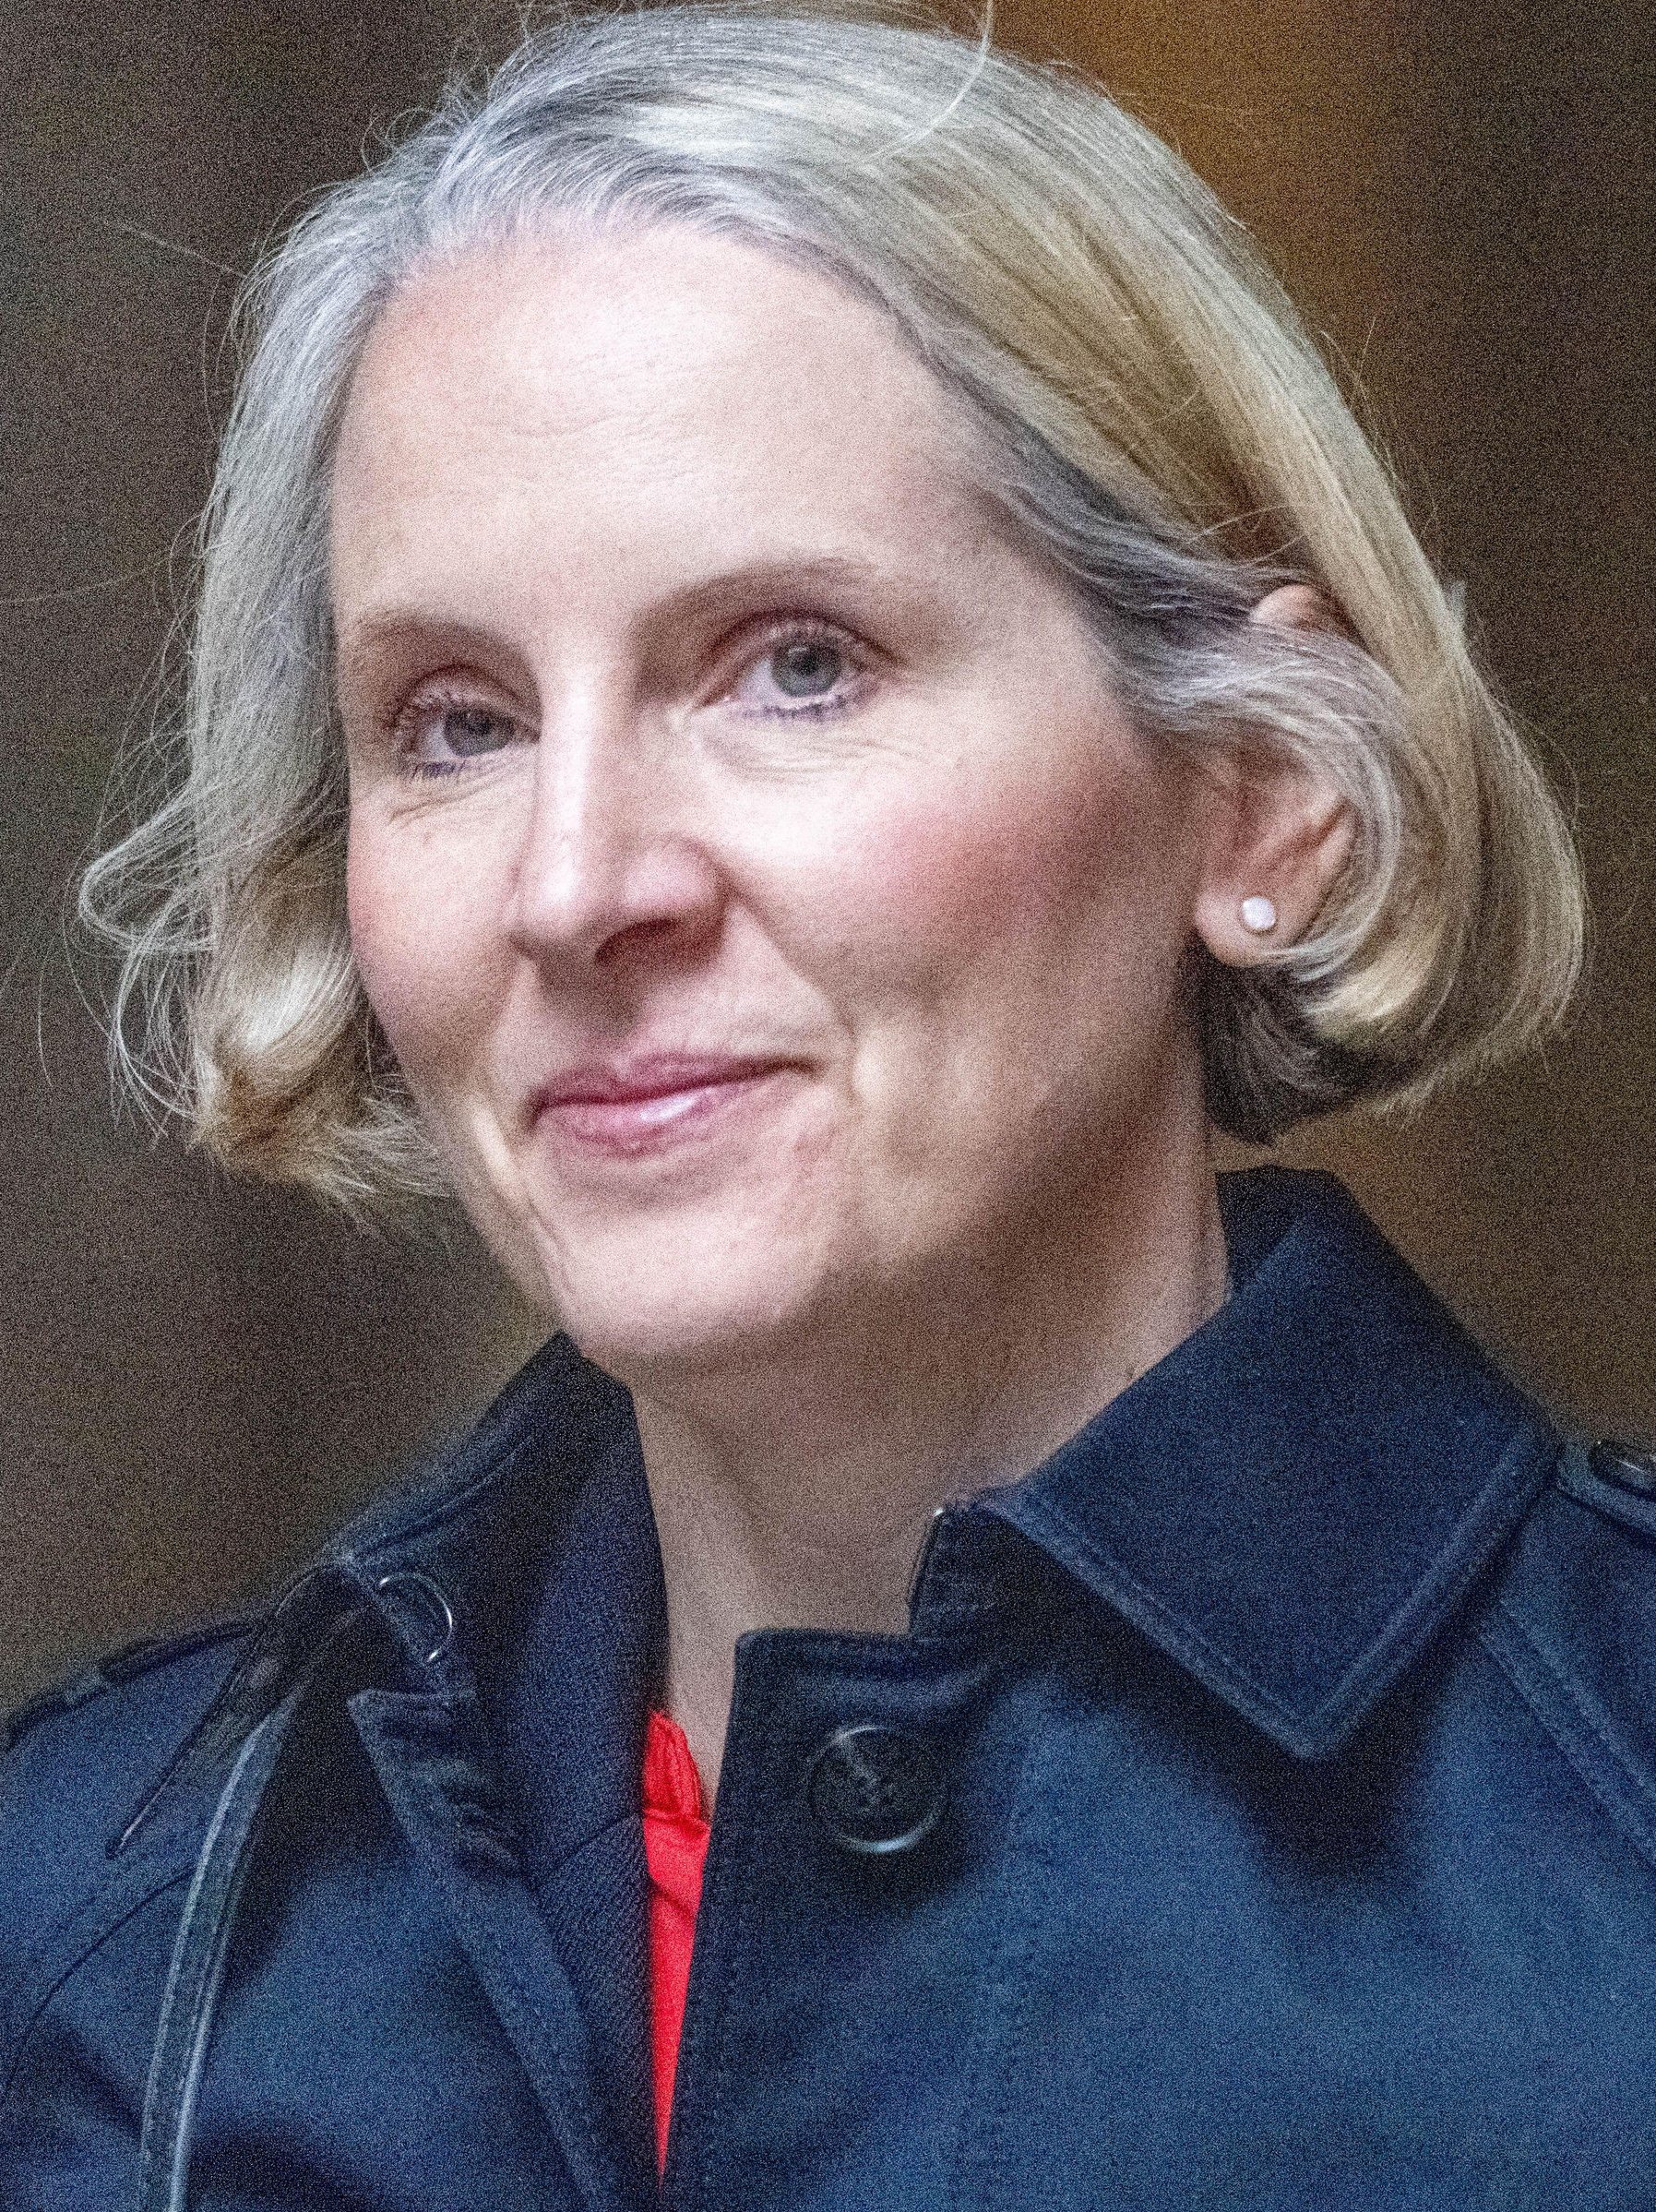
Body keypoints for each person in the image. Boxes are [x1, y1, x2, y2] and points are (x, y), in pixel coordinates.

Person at [4, 4, 1651, 2206]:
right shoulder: (94, 1942)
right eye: (457, 718)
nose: (582, 883)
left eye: (796, 663)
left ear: (1259, 792)